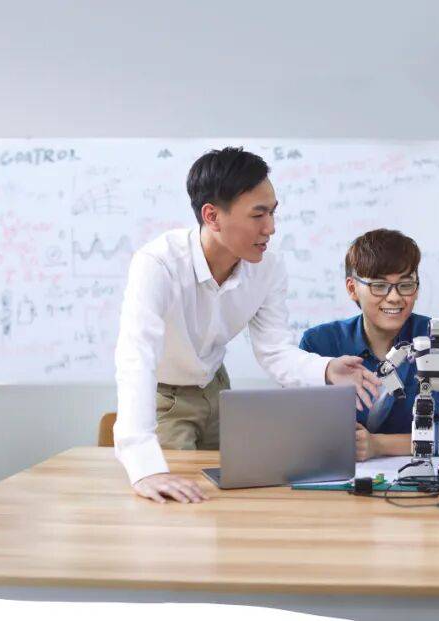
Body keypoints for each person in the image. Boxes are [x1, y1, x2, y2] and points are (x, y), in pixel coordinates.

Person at [114, 147, 380, 503]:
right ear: (212, 216)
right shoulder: (157, 264)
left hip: (216, 388)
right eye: (258, 214)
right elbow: (136, 357)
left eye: (272, 212)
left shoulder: (268, 267)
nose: (271, 228)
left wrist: (327, 370)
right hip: (165, 397)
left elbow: (273, 350)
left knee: (236, 492)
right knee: (173, 502)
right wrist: (144, 466)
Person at [299, 229, 439, 461]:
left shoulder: (433, 339)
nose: (394, 297)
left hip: (411, 475)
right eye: (379, 285)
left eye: (405, 285)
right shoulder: (319, 343)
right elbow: (301, 430)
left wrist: (377, 445)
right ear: (352, 288)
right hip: (335, 473)